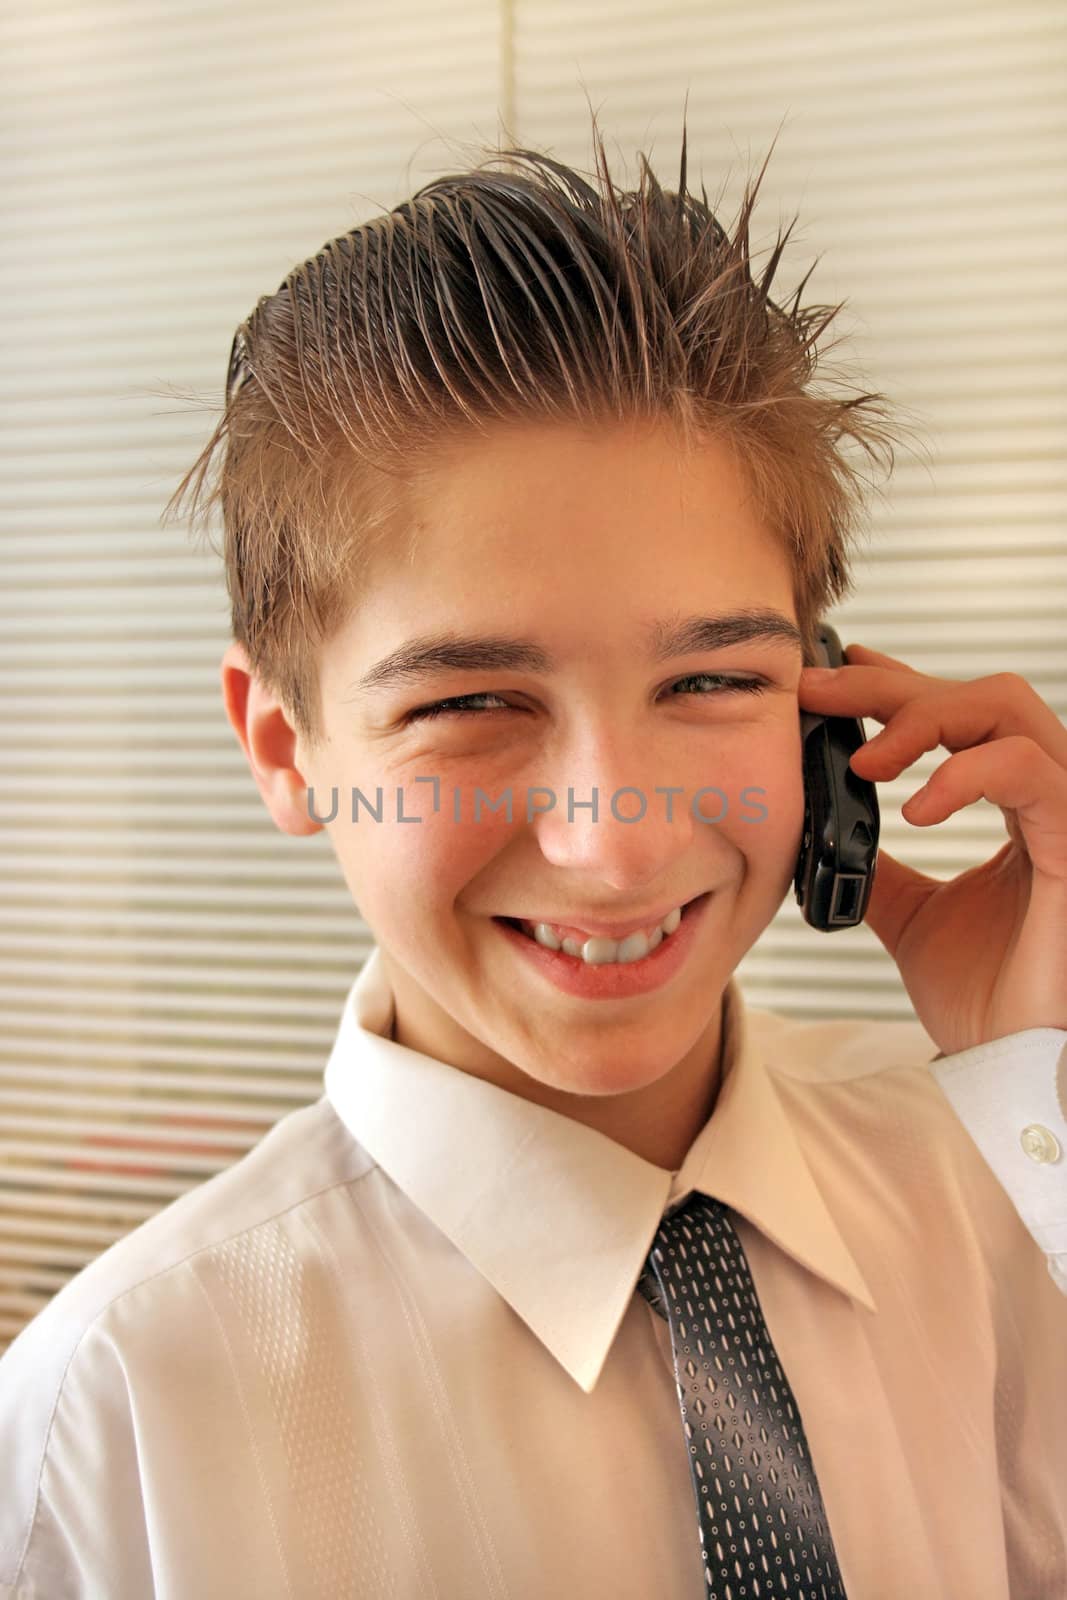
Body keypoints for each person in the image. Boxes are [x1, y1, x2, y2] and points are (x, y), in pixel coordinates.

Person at [2, 109, 1065, 1600]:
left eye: (711, 683)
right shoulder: (110, 1426)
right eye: (472, 703)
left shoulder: (1014, 1199)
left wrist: (1044, 1082)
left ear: (829, 706)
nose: (609, 846)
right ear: (283, 742)